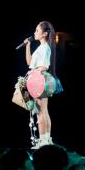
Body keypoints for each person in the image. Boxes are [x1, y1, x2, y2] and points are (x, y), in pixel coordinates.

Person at [22, 20, 59, 148]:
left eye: (37, 30)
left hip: (40, 80)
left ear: (44, 34)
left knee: (41, 112)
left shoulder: (45, 48)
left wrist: (33, 72)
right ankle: (46, 139)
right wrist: (27, 45)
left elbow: (44, 66)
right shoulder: (41, 47)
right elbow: (29, 62)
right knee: (44, 111)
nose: (35, 32)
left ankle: (43, 141)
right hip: (40, 79)